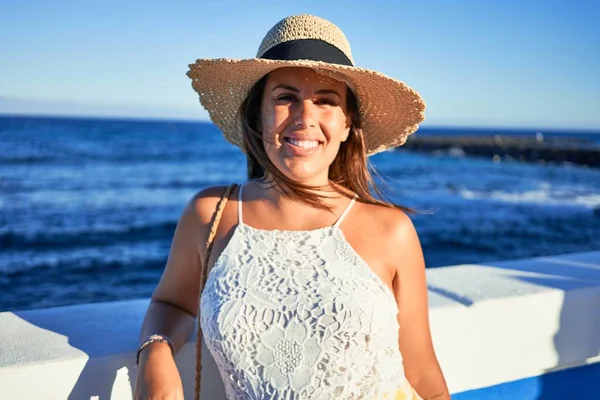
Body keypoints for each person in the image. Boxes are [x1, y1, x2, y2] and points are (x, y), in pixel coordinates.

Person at [134, 14, 450, 400]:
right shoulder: (211, 214)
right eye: (286, 98)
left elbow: (423, 375)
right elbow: (170, 303)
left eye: (326, 101)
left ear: (348, 124)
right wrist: (155, 354)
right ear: (257, 115)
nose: (305, 118)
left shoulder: (390, 230)